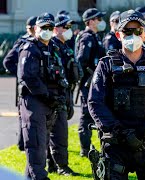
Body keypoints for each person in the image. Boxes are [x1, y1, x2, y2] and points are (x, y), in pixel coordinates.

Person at [87, 9, 145, 179]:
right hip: (116, 143)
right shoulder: (106, 65)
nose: (132, 35)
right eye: (127, 31)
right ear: (118, 35)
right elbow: (95, 103)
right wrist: (120, 132)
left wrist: (144, 131)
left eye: (137, 31)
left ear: (144, 35)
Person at [18, 12, 68, 180]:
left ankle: (31, 176)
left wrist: (61, 96)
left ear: (53, 29)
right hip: (35, 101)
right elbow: (28, 77)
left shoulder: (53, 48)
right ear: (36, 29)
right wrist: (47, 95)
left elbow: (59, 74)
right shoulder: (30, 48)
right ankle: (40, 177)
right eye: (43, 28)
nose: (46, 30)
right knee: (36, 143)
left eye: (49, 28)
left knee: (42, 143)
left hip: (50, 102)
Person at [46, 14, 81, 176]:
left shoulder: (66, 46)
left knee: (56, 130)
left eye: (69, 27)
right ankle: (61, 166)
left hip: (66, 93)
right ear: (55, 29)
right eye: (65, 27)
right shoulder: (51, 46)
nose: (69, 30)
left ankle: (53, 164)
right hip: (55, 95)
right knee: (59, 132)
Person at [75, 8, 106, 157]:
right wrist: (88, 76)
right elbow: (81, 61)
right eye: (99, 19)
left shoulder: (95, 36)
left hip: (96, 82)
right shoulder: (86, 37)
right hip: (88, 82)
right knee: (86, 114)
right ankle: (85, 149)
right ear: (91, 21)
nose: (101, 22)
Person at [2, 16, 37, 152]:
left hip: (33, 87)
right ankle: (22, 144)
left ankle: (26, 144)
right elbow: (8, 61)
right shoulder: (23, 42)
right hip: (24, 88)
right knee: (24, 117)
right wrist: (21, 74)